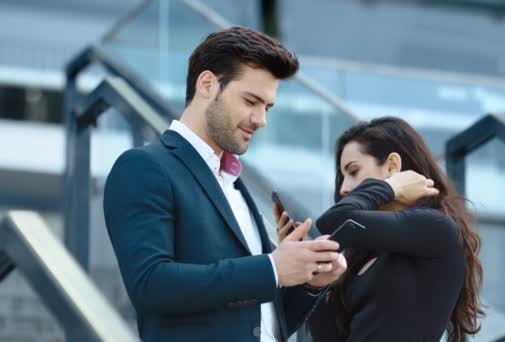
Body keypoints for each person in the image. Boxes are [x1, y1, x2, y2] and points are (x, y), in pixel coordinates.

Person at [103, 27, 347, 342]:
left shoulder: (235, 184)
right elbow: (151, 284)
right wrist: (272, 268)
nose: (261, 120)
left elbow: (262, 320)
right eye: (251, 101)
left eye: (267, 107)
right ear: (207, 84)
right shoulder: (144, 167)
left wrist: (310, 281)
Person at [276, 117, 484, 341]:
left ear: (393, 166)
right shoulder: (363, 252)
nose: (344, 188)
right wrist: (315, 280)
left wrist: (389, 186)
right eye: (342, 178)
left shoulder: (436, 227)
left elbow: (335, 219)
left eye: (353, 171)